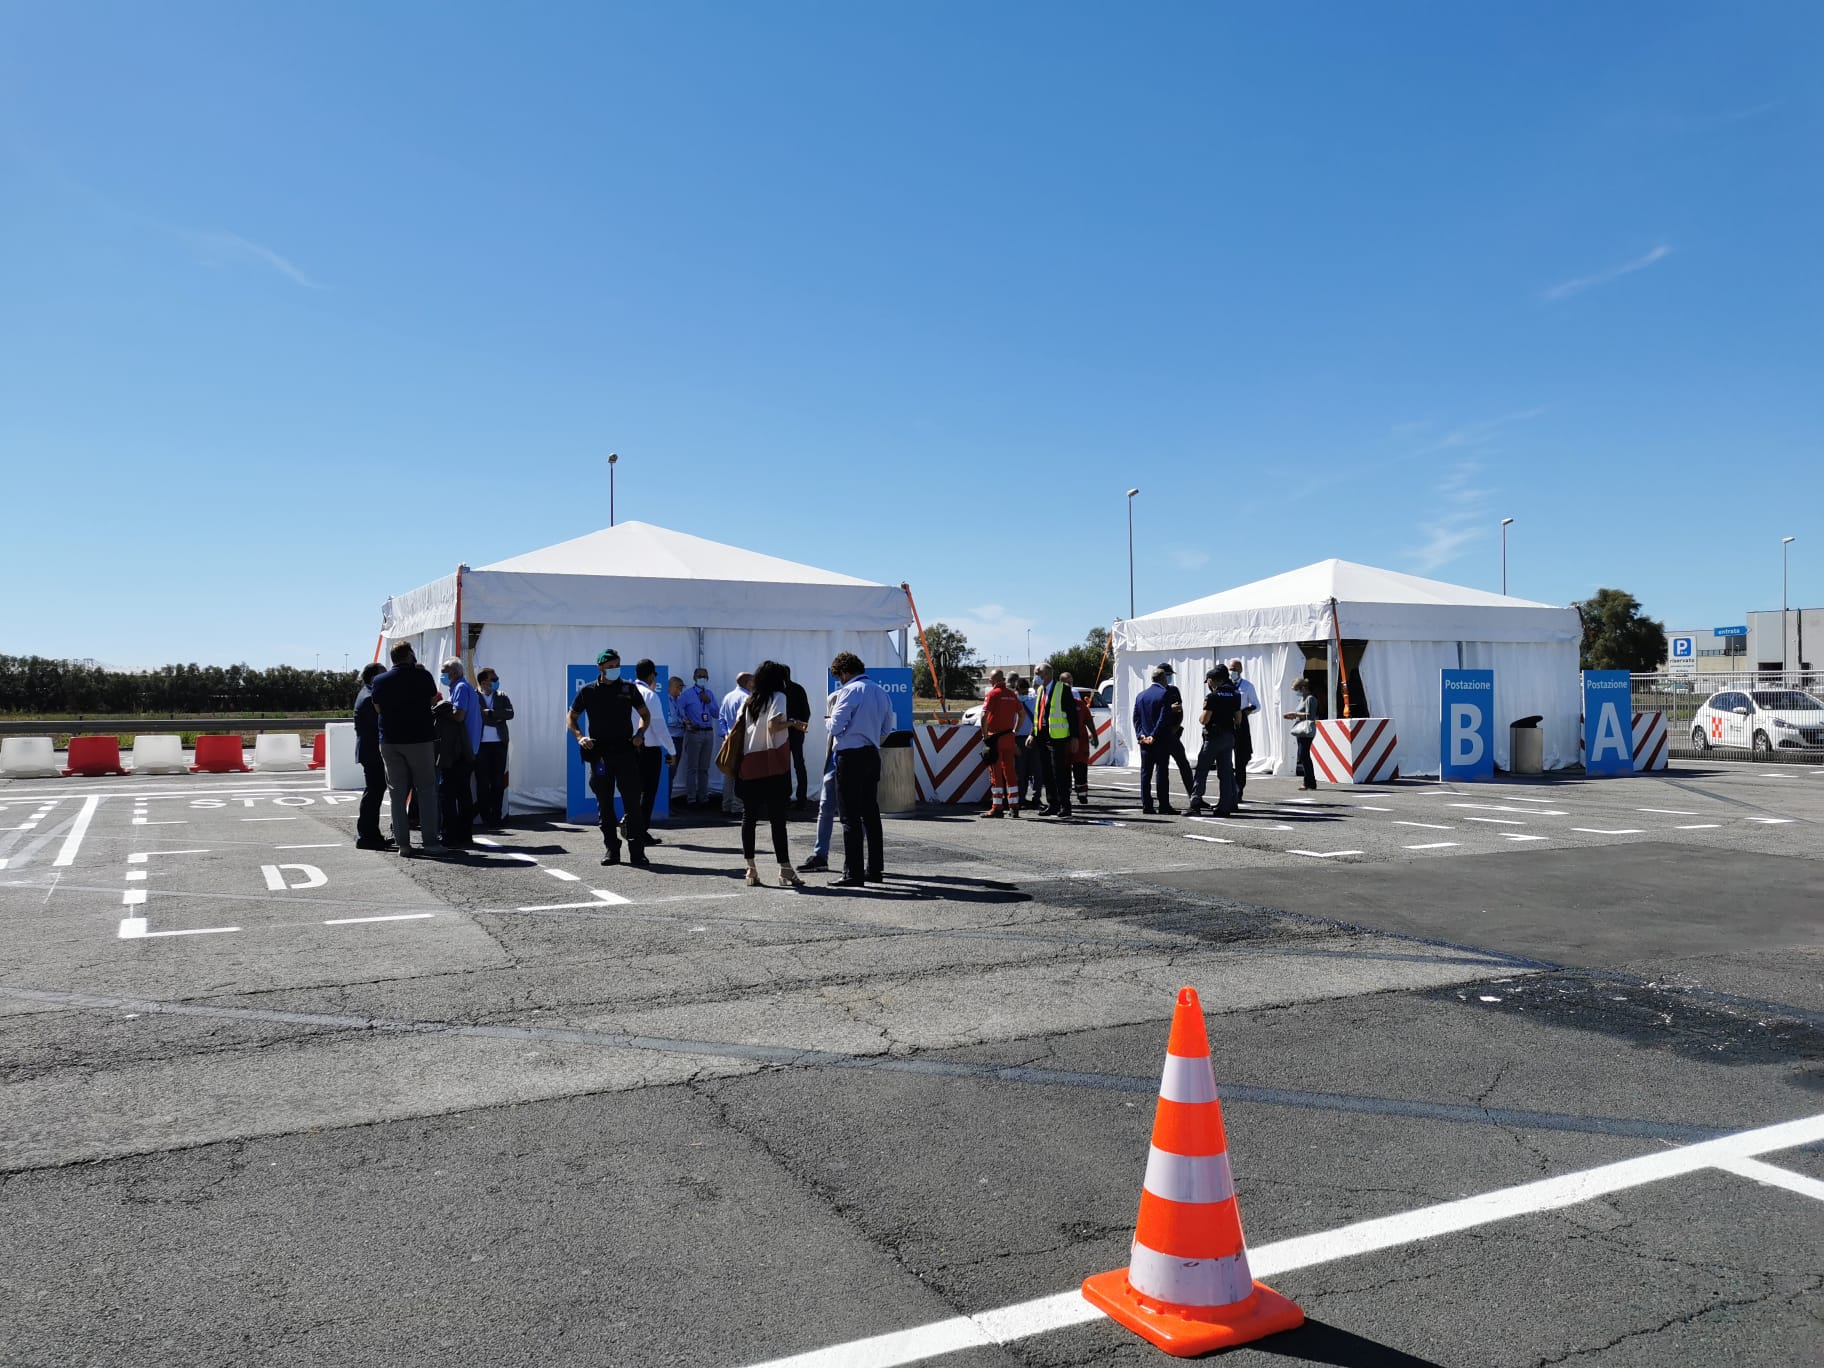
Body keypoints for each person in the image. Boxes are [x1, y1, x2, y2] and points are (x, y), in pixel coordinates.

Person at [566, 648, 652, 866]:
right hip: (600, 755)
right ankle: (612, 849)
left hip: (625, 752)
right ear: (600, 668)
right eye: (610, 666)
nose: (614, 670)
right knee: (604, 803)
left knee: (632, 803)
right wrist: (579, 737)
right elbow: (571, 717)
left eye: (617, 666)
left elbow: (644, 715)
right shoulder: (588, 691)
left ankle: (637, 851)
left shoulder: (629, 688)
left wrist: (640, 734)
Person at [827, 652, 895, 886]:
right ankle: (874, 869)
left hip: (850, 755)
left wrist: (828, 719)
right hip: (871, 753)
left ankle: (853, 873)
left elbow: (835, 726)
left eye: (839, 676)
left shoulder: (849, 691)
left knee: (849, 817)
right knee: (871, 815)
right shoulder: (881, 691)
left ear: (844, 673)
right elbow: (887, 728)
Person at [370, 642, 444, 857]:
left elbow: (377, 708)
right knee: (426, 790)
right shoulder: (423, 676)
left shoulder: (380, 680)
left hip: (390, 741)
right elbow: (433, 700)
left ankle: (403, 844)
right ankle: (430, 841)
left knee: (397, 793)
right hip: (419, 739)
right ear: (410, 655)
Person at [735, 660, 804, 887]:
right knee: (777, 819)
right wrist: (792, 722)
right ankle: (784, 868)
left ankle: (751, 868)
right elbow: (774, 726)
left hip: (750, 762)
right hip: (773, 763)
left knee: (749, 817)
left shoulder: (750, 700)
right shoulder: (778, 697)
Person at [1188, 665, 1242, 817]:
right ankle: (1224, 807)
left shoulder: (1213, 696)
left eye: (1208, 682)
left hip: (1213, 737)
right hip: (1228, 736)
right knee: (1225, 773)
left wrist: (1201, 717)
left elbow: (1205, 719)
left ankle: (1195, 804)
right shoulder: (1235, 694)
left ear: (1212, 681)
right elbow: (1238, 719)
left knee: (1202, 771)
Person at [437, 658, 481, 846]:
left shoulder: (461, 688)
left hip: (460, 750)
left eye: (444, 672)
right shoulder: (465, 687)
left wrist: (441, 711)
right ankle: (464, 833)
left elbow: (459, 715)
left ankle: (451, 834)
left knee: (448, 793)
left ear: (454, 673)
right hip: (467, 749)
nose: (442, 676)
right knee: (463, 793)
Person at [632, 659, 675, 844]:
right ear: (651, 675)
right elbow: (658, 726)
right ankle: (640, 831)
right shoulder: (650, 695)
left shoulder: (628, 692)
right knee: (648, 792)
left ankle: (633, 827)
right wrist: (672, 750)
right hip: (648, 748)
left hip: (629, 747)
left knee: (633, 791)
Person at [1030, 663, 1081, 818]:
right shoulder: (1040, 690)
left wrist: (1074, 737)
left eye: (1038, 673)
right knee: (1046, 773)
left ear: (1047, 674)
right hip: (1043, 735)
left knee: (1060, 772)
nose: (1036, 677)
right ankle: (1052, 804)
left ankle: (1065, 806)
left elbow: (1072, 715)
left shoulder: (1062, 689)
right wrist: (1033, 733)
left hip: (1058, 737)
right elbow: (1038, 714)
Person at [352, 663, 392, 850]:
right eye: (383, 674)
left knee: (374, 793)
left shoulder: (367, 692)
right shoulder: (369, 697)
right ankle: (367, 836)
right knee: (373, 793)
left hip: (369, 751)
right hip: (372, 752)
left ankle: (371, 834)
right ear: (373, 677)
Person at [432, 689, 475, 849]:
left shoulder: (442, 715)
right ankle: (465, 835)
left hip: (451, 761)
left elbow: (445, 743)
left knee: (447, 799)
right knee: (464, 797)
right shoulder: (452, 714)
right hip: (464, 758)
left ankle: (449, 836)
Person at [977, 668, 1023, 818]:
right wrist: (1015, 731)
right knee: (1010, 772)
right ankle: (1014, 806)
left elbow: (984, 716)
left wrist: (985, 735)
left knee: (996, 774)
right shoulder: (1012, 695)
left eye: (990, 680)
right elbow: (1021, 714)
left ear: (993, 681)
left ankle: (997, 807)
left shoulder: (992, 694)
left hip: (995, 738)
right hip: (1009, 738)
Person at [1132, 665, 1175, 815]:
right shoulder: (1165, 694)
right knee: (1161, 772)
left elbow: (1136, 718)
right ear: (1163, 679)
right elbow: (1163, 718)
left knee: (1146, 773)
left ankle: (1147, 805)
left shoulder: (1141, 695)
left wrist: (1141, 735)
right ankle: (1163, 805)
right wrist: (1154, 735)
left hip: (1144, 741)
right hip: (1160, 740)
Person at [474, 666, 513, 826]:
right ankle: (485, 816)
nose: (497, 681)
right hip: (481, 745)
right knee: (482, 782)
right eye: (494, 679)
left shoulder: (502, 696)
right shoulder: (475, 696)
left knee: (498, 782)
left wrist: (490, 713)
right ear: (484, 682)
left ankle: (496, 816)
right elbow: (476, 716)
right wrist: (497, 716)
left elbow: (510, 714)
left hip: (499, 744)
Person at [675, 668, 718, 807]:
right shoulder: (687, 694)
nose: (702, 678)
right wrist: (687, 721)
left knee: (704, 768)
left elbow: (717, 714)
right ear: (694, 677)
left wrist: (709, 701)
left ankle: (703, 797)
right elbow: (679, 710)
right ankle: (691, 798)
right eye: (699, 676)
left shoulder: (709, 693)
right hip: (694, 732)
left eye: (705, 676)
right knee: (692, 767)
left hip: (708, 732)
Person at [1154, 664, 1195, 796]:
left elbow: (1180, 709)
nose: (1170, 678)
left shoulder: (1173, 690)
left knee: (1184, 764)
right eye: (1168, 675)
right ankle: (1163, 800)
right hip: (1160, 734)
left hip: (1173, 733)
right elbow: (1154, 713)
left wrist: (1177, 726)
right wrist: (1169, 709)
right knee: (1162, 767)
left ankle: (1194, 796)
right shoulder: (1155, 692)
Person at [717, 672, 753, 816]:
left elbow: (721, 718)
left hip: (729, 738)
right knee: (742, 773)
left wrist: (726, 734)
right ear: (747, 682)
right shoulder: (747, 698)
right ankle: (737, 805)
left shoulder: (728, 696)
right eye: (752, 681)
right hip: (742, 739)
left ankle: (726, 804)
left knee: (729, 772)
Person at [1228, 658, 1261, 803]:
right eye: (1230, 669)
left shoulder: (1247, 686)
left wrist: (1248, 711)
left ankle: (1239, 788)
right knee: (1225, 756)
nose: (1232, 671)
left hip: (1241, 720)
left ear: (1240, 670)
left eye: (1235, 669)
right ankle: (1228, 788)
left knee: (1241, 757)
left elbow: (1256, 705)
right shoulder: (1225, 685)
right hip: (1227, 720)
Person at [783, 665, 813, 810]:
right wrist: (801, 726)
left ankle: (786, 797)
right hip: (796, 732)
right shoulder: (798, 688)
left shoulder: (778, 691)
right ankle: (801, 798)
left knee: (785, 765)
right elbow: (806, 711)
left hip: (783, 731)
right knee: (799, 764)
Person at [1285, 676, 1319, 790]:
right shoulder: (1303, 699)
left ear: (1303, 687)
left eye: (1297, 689)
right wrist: (1294, 715)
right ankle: (1309, 781)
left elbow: (1310, 715)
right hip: (1301, 730)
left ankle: (1309, 782)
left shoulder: (1310, 699)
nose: (1297, 692)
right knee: (1303, 756)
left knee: (1304, 755)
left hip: (1307, 730)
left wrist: (1294, 714)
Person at [1066, 673, 1095, 805]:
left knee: (1081, 769)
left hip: (1080, 742)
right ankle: (1065, 793)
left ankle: (1082, 794)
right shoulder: (1058, 705)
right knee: (1065, 770)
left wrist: (1095, 735)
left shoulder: (1079, 704)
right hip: (1064, 742)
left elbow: (1088, 721)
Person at [1011, 675, 1037, 808]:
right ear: (1016, 690)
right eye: (1022, 692)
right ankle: (1019, 798)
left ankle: (1026, 797)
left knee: (1029, 770)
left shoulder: (1032, 700)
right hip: (1018, 739)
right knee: (1019, 771)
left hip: (1030, 738)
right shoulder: (1012, 702)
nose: (1024, 695)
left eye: (1026, 692)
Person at [665, 675, 687, 799]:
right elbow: (669, 720)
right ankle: (666, 804)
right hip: (671, 740)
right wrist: (682, 722)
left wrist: (684, 720)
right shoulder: (666, 700)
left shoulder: (677, 700)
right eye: (679, 687)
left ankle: (668, 802)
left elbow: (680, 716)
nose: (680, 690)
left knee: (672, 773)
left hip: (678, 739)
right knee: (669, 772)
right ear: (671, 687)